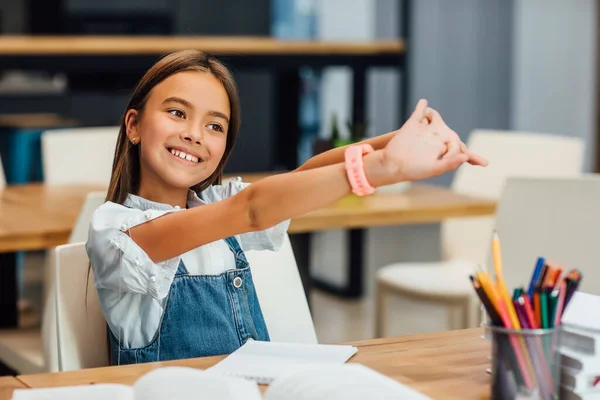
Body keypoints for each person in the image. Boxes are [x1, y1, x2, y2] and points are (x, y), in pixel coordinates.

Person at [86, 50, 487, 365]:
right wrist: (382, 168)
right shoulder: (116, 231)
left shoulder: (212, 204)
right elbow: (251, 209)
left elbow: (304, 174)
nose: (194, 134)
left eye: (215, 126)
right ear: (134, 126)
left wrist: (398, 140)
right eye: (177, 113)